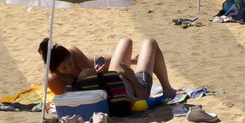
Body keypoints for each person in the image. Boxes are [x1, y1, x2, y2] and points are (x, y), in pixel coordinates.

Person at [38, 35, 172, 103]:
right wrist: (131, 76)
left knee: (126, 41)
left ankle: (135, 60)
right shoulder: (54, 79)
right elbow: (141, 99)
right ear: (54, 70)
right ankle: (167, 88)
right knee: (150, 42)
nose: (70, 68)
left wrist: (101, 75)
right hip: (128, 84)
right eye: (64, 68)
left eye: (71, 63)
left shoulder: (72, 53)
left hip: (114, 79)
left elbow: (91, 69)